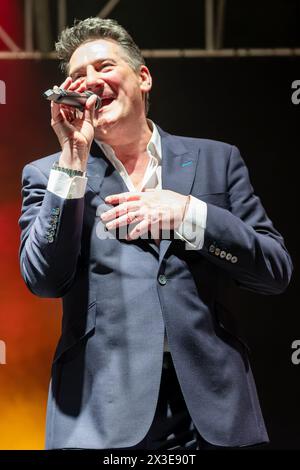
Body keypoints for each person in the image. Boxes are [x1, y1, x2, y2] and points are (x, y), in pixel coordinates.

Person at [19, 17, 293, 450]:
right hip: (100, 411)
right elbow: (44, 279)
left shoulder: (216, 160)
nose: (89, 82)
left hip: (213, 410)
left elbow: (274, 271)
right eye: (76, 76)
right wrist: (72, 160)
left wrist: (191, 215)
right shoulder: (48, 174)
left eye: (104, 67)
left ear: (143, 78)